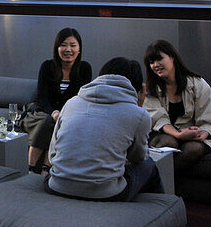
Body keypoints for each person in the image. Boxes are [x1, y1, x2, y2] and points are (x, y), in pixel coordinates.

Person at [45, 57, 163, 202]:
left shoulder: (71, 103)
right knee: (149, 164)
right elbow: (138, 158)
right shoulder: (140, 115)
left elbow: (52, 156)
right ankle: (162, 211)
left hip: (57, 186)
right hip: (106, 194)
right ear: (138, 88)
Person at [22, 28, 93, 173]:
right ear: (57, 48)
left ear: (79, 48)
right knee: (49, 121)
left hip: (70, 114)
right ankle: (34, 166)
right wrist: (54, 112)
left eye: (73, 45)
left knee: (59, 122)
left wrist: (64, 114)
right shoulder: (47, 66)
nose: (68, 49)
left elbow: (82, 98)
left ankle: (42, 166)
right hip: (42, 112)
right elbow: (42, 97)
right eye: (63, 45)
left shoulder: (84, 68)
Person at [143, 39, 211, 173]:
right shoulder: (150, 89)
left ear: (172, 57)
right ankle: (158, 180)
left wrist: (202, 133)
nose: (156, 65)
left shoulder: (198, 84)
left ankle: (162, 180)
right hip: (163, 133)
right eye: (151, 62)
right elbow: (158, 119)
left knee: (192, 149)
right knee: (169, 143)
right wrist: (178, 135)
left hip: (192, 134)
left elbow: (208, 120)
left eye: (159, 59)